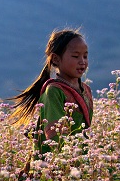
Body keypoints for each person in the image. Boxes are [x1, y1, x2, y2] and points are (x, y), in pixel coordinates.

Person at [9, 28, 93, 160]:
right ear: (56, 59)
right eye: (76, 56)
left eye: (85, 56)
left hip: (80, 161)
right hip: (53, 163)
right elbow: (55, 135)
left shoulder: (86, 90)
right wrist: (67, 160)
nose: (82, 61)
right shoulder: (53, 91)